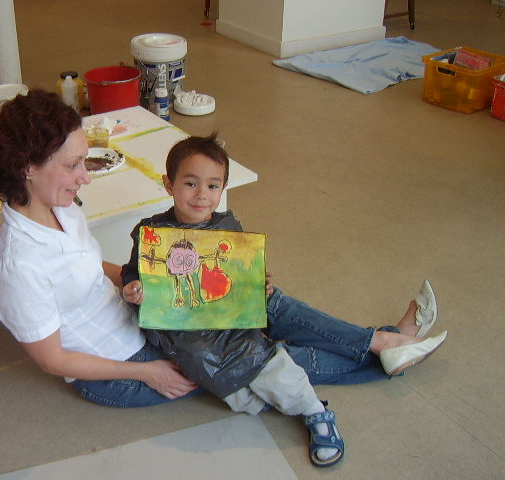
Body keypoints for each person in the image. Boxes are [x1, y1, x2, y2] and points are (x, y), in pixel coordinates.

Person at [120, 133, 448, 466]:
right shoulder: (151, 234)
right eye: (190, 183)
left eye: (213, 186)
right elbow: (134, 274)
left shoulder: (227, 227)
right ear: (169, 184)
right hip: (197, 342)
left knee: (272, 332)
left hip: (234, 329)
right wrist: (133, 290)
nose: (202, 195)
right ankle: (389, 344)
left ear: (222, 188)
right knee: (274, 373)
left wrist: (257, 283)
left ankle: (365, 363)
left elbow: (239, 276)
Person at [0, 89, 198, 412]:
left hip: (132, 318)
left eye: (84, 161)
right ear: (27, 167)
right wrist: (149, 373)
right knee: (229, 367)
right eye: (72, 165)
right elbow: (53, 361)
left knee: (230, 318)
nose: (85, 178)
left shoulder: (60, 206)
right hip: (114, 368)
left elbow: (89, 265)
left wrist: (146, 281)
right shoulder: (17, 266)